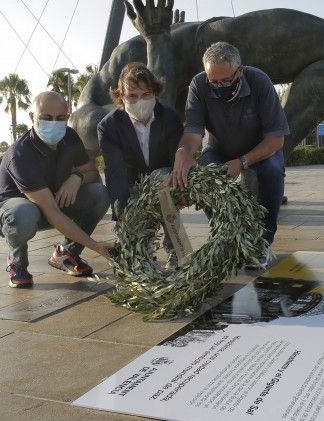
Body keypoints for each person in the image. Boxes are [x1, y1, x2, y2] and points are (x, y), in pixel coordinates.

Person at [171, 41, 289, 268]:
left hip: (260, 149)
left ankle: (261, 242)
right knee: (207, 177)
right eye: (213, 81)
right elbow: (193, 132)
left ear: (240, 71)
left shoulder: (259, 82)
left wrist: (242, 162)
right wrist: (184, 151)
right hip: (219, 149)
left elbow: (276, 139)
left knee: (273, 172)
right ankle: (225, 236)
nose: (219, 86)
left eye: (225, 81)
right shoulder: (199, 84)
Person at [0, 91, 113, 288]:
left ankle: (66, 254)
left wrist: (77, 177)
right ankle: (17, 263)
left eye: (60, 118)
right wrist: (96, 246)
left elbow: (92, 174)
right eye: (46, 117)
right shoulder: (20, 154)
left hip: (51, 200)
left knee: (99, 194)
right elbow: (51, 212)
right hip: (13, 212)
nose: (54, 123)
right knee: (24, 212)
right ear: (32, 117)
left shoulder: (70, 137)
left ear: (68, 117)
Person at [97, 62, 183, 267]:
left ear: (155, 93)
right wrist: (122, 214)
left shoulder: (169, 117)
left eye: (146, 95)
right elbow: (115, 172)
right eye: (132, 96)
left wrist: (181, 189)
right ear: (121, 97)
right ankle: (139, 252)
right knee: (135, 256)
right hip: (131, 186)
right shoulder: (108, 127)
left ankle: (178, 250)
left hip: (164, 180)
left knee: (161, 178)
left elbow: (176, 159)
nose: (140, 101)